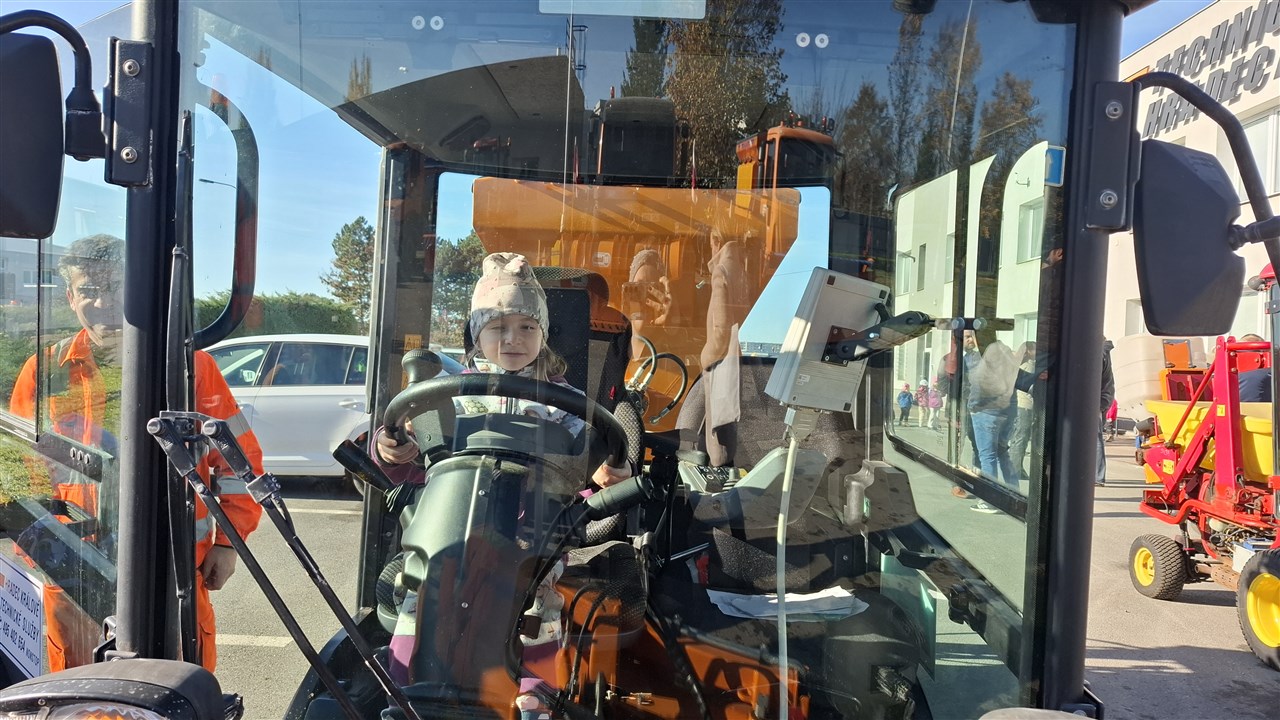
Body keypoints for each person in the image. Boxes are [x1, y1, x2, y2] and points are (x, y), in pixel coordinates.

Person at [8, 234, 264, 673]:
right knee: (76, 692)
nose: (103, 302)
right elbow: (19, 468)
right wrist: (34, 551)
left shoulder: (190, 370)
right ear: (70, 298)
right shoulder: (44, 371)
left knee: (172, 688)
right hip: (70, 575)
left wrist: (228, 543)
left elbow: (239, 463)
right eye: (89, 289)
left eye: (116, 287)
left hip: (169, 575)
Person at [375, 252, 630, 489]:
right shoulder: (450, 399)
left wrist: (608, 467)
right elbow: (419, 462)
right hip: (460, 508)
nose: (513, 338)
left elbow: (594, 457)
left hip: (545, 517)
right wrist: (391, 448)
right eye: (498, 327)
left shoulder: (568, 405)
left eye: (527, 327)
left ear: (542, 337)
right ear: (478, 338)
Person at [967, 334, 1020, 512]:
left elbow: (978, 382)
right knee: (1003, 453)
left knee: (987, 456)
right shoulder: (1006, 353)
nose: (971, 339)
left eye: (972, 335)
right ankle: (1015, 495)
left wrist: (973, 406)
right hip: (1006, 411)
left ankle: (990, 500)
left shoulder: (989, 352)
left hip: (986, 412)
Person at [1096, 339, 1115, 487]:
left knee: (1095, 439)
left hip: (1094, 402)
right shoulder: (1103, 353)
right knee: (1095, 439)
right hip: (1101, 400)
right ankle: (1097, 476)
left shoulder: (1098, 354)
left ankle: (1097, 476)